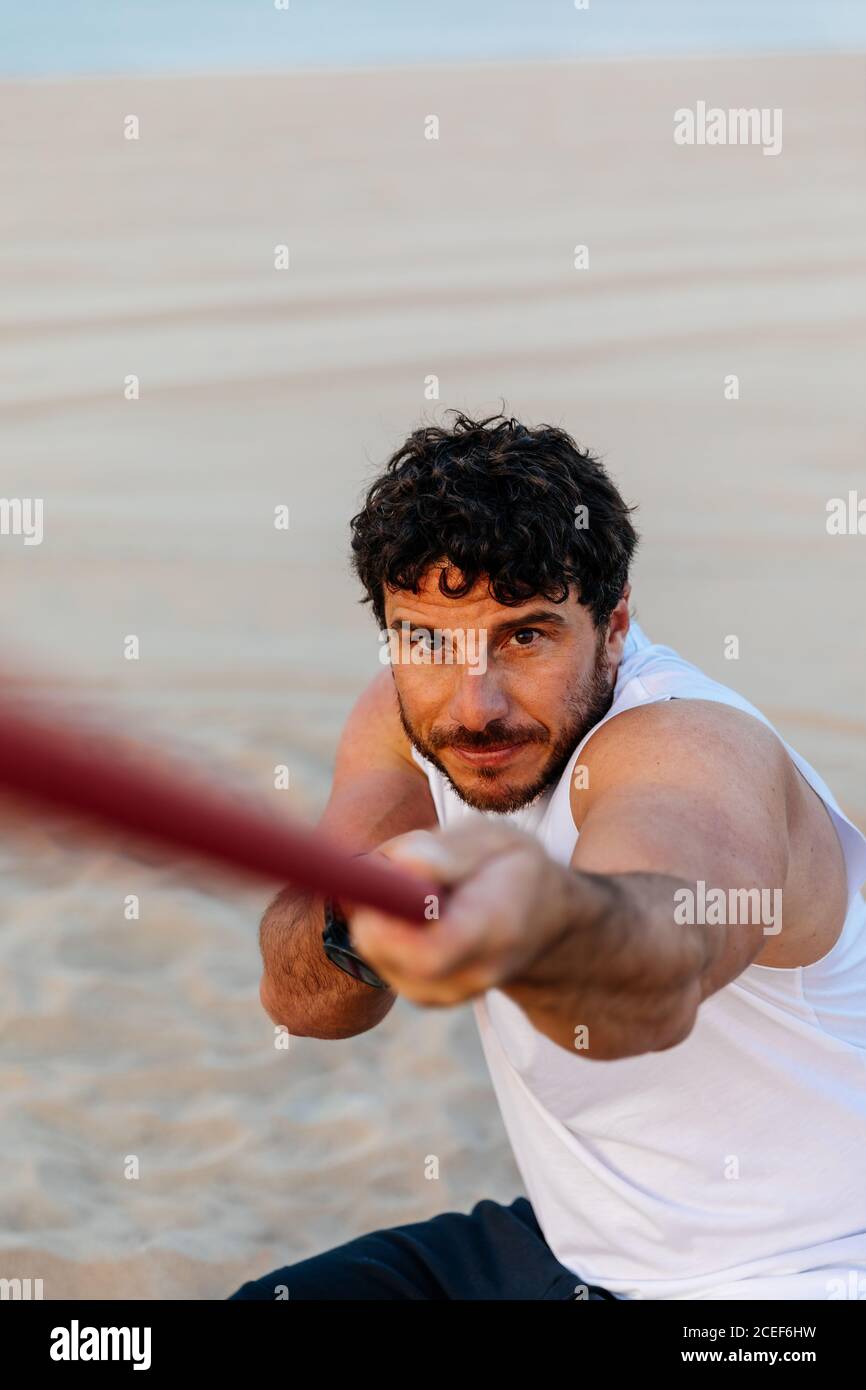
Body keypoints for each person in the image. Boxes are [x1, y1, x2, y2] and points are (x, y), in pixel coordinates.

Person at [231, 412, 866, 1301]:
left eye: (525, 636)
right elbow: (299, 1000)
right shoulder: (410, 721)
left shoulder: (689, 747)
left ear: (614, 626)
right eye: (426, 640)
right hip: (581, 1258)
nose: (475, 703)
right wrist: (353, 922)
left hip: (801, 1279)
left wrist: (541, 919)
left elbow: (652, 970)